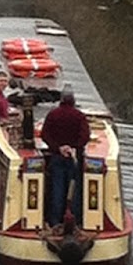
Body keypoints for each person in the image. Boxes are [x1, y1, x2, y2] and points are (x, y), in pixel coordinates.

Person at [41, 87, 91, 230]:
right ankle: (73, 221)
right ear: (73, 100)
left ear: (61, 100)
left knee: (57, 188)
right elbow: (85, 136)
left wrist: (59, 148)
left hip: (57, 157)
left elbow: (45, 135)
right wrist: (74, 147)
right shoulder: (79, 116)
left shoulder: (52, 115)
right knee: (74, 188)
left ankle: (55, 222)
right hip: (74, 158)